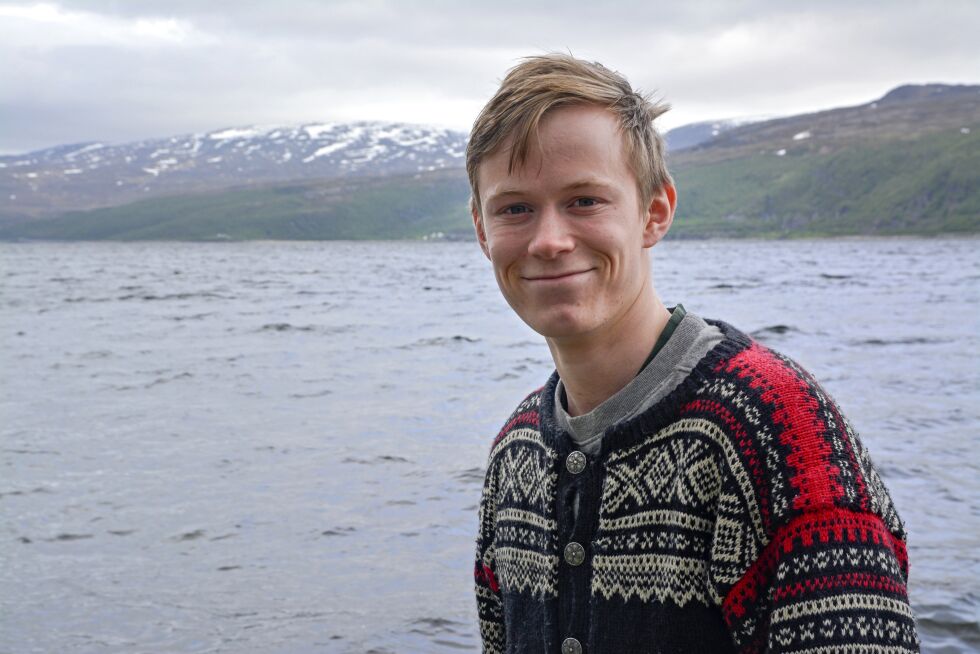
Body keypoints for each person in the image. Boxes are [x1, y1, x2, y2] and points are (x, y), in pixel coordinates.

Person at [467, 54, 919, 654]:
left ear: (654, 213)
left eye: (584, 201)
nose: (549, 240)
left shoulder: (777, 426)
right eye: (515, 208)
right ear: (481, 230)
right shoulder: (517, 450)